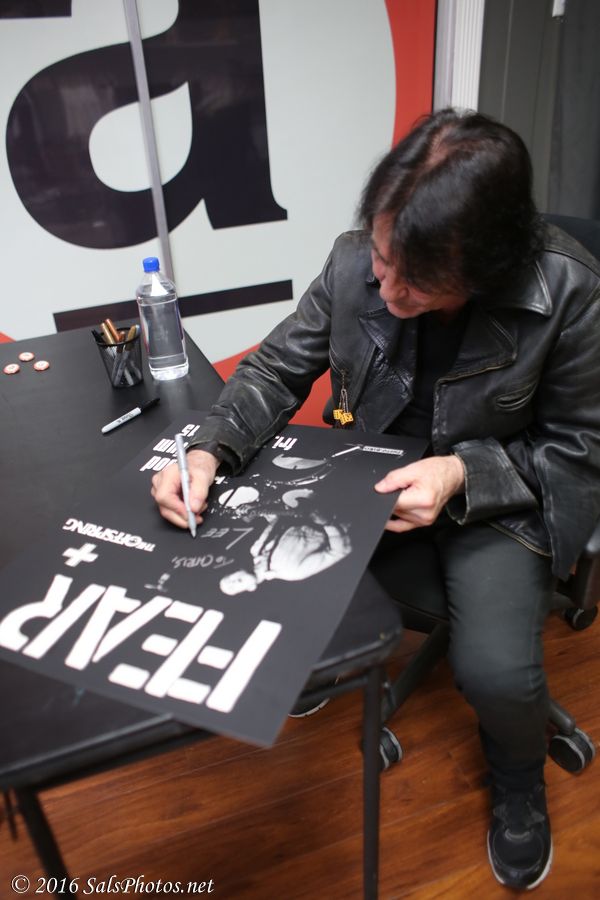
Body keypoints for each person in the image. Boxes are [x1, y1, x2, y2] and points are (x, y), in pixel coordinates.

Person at [152, 108, 600, 890]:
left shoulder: (569, 292)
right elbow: (274, 371)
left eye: (417, 281)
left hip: (499, 499)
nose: (387, 289)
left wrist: (460, 475)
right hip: (371, 476)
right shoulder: (353, 260)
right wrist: (207, 448)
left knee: (497, 674)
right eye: (384, 260)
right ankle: (327, 668)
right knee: (244, 567)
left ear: (487, 269)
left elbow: (580, 448)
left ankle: (518, 779)